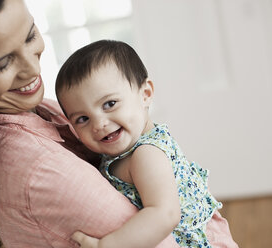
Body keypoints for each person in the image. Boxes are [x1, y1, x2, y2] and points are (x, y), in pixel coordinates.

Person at [0, 0, 182, 247]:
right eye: (1, 64)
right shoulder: (42, 170)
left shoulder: (38, 110)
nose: (32, 68)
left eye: (30, 36)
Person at [55, 40, 239, 248]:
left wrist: (107, 245)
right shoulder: (129, 148)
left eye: (109, 104)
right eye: (82, 119)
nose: (99, 124)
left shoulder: (146, 155)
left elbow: (165, 214)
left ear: (145, 94)